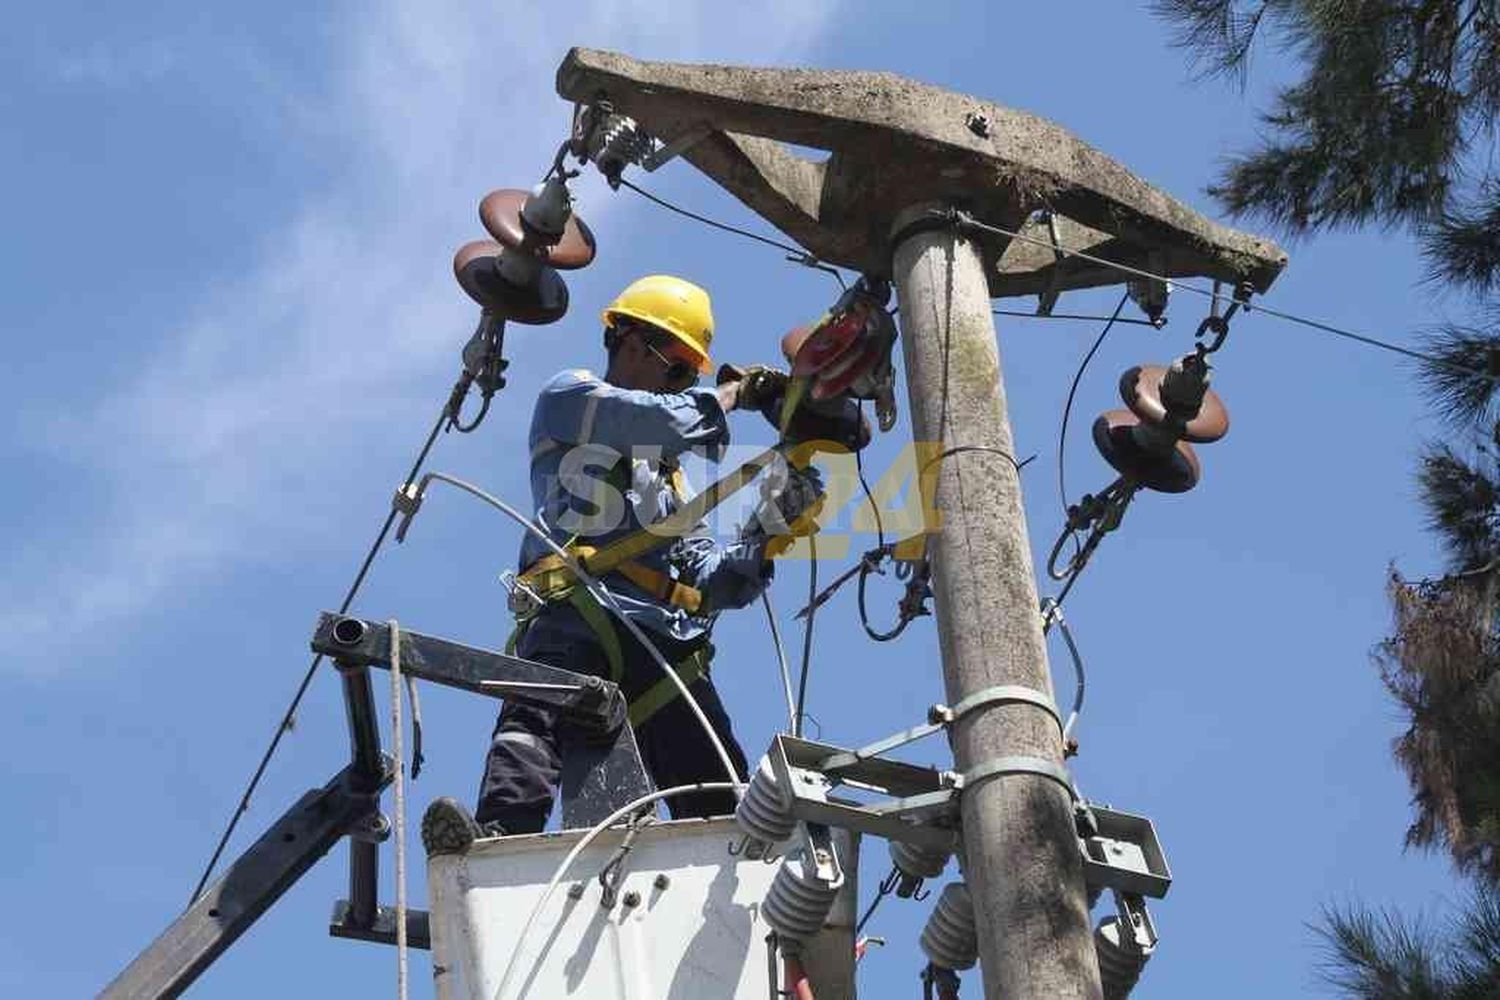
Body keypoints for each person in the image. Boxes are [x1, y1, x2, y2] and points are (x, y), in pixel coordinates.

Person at [422, 274, 818, 852]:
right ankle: (499, 842)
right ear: (630, 340)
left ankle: (739, 867)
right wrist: (736, 394)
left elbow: (707, 579)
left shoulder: (671, 484)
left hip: (657, 639)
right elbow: (662, 422)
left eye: (688, 375)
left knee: (716, 786)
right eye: (678, 367)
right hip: (576, 609)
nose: (681, 384)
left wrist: (768, 534)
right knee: (537, 718)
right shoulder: (570, 399)